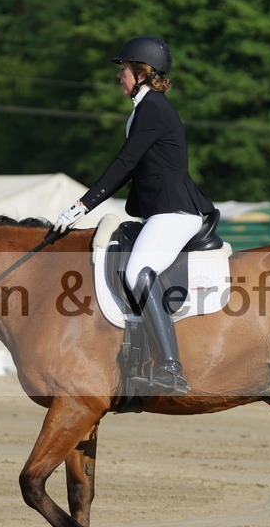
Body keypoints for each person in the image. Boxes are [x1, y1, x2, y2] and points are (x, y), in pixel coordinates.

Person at [54, 35, 215, 395]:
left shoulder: (153, 108)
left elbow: (124, 164)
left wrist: (82, 205)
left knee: (137, 271)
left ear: (142, 72)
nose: (119, 75)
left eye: (124, 68)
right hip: (161, 210)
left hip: (174, 210)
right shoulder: (145, 107)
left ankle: (171, 369)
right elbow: (132, 168)